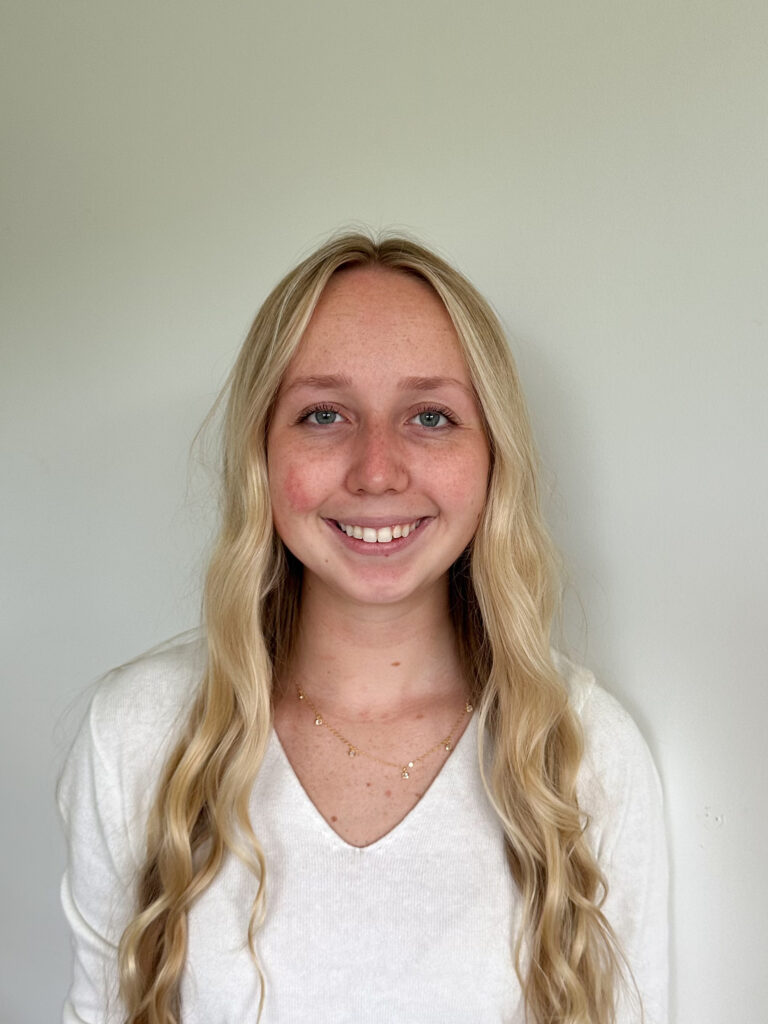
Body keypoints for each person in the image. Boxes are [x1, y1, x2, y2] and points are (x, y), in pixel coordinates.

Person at [58, 232, 668, 1024]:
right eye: (323, 414)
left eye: (430, 416)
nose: (377, 470)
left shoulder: (583, 752)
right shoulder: (138, 734)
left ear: (493, 457)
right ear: (261, 452)